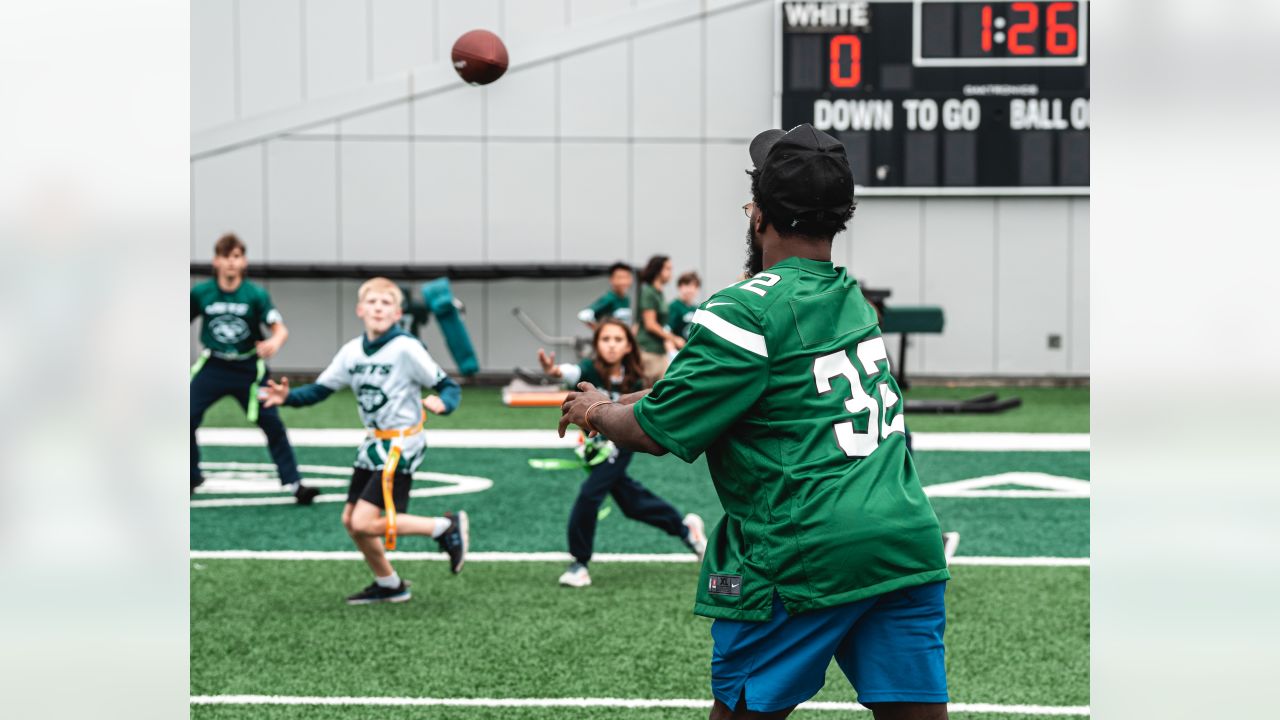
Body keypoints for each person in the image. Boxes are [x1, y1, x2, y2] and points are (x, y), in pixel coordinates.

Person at [558, 124, 950, 720]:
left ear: (758, 214)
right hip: (903, 537)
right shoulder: (849, 296)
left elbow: (657, 432)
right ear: (839, 216)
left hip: (807, 545)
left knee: (741, 711)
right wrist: (628, 399)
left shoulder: (741, 308)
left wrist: (597, 412)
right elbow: (713, 386)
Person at [260, 277, 470, 605]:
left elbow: (448, 385)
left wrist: (444, 403)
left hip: (402, 443)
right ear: (360, 309)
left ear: (398, 312)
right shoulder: (352, 351)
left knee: (363, 521)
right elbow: (320, 390)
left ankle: (443, 527)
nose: (378, 308)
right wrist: (288, 398)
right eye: (372, 302)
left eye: (386, 303)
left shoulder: (406, 347)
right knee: (351, 522)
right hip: (373, 444)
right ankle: (389, 584)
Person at [536, 318, 706, 588]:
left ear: (628, 346)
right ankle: (687, 531)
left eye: (618, 340)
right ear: (597, 344)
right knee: (632, 502)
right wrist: (554, 370)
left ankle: (579, 563)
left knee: (589, 495)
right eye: (605, 339)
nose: (612, 345)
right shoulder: (590, 369)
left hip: (621, 444)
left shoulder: (636, 377)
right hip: (594, 446)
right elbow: (569, 372)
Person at [190, 233, 318, 504]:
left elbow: (280, 328)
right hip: (213, 365)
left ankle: (294, 483)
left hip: (248, 370)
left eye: (236, 256)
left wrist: (275, 341)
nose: (231, 263)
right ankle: (190, 475)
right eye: (225, 257)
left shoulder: (255, 295)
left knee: (271, 422)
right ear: (216, 261)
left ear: (244, 261)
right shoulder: (201, 293)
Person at [635, 255, 684, 386]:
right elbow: (650, 324)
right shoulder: (649, 292)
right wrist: (673, 339)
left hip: (659, 350)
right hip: (649, 351)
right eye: (667, 269)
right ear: (657, 270)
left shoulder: (658, 293)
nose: (670, 273)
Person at [577, 261, 635, 329]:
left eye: (627, 277)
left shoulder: (626, 299)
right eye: (620, 277)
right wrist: (599, 330)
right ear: (611, 279)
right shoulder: (609, 298)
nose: (623, 281)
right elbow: (583, 315)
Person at [667, 271, 702, 343]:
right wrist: (674, 342)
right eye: (687, 285)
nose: (690, 289)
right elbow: (666, 330)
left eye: (694, 286)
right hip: (677, 351)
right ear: (680, 286)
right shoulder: (674, 306)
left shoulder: (696, 309)